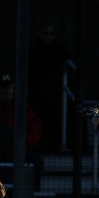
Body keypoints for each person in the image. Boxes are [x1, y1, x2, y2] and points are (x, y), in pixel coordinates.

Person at [28, 21, 70, 153]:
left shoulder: (60, 49)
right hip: (38, 93)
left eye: (52, 33)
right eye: (45, 33)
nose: (49, 36)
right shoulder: (34, 49)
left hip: (56, 93)